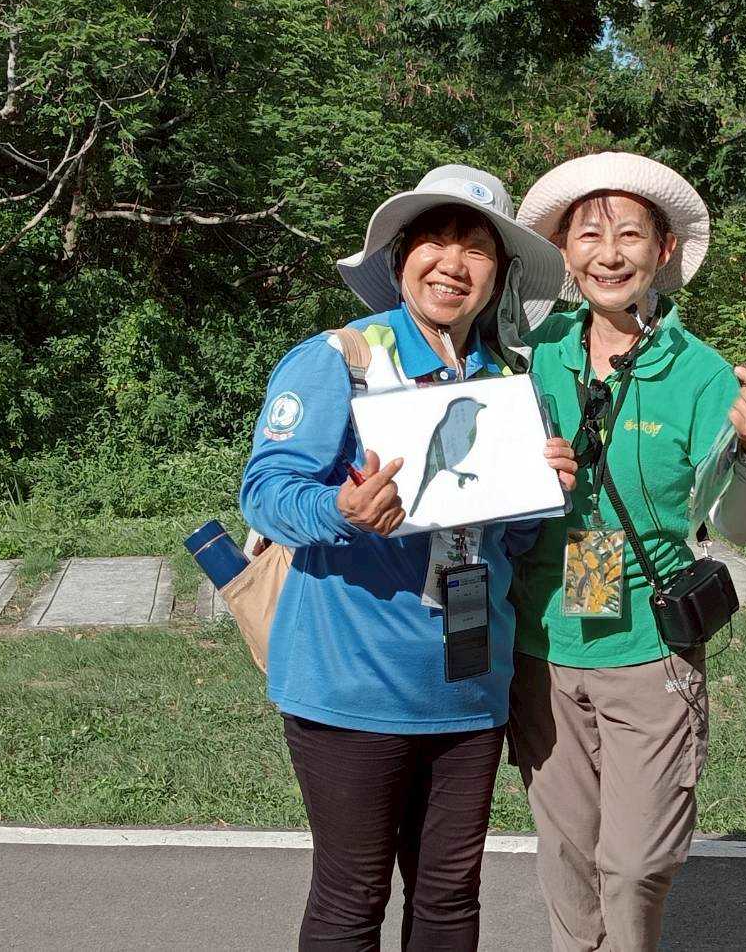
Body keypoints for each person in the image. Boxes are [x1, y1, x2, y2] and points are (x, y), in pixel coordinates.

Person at [240, 164, 577, 952]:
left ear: (499, 277)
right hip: (350, 685)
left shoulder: (506, 386)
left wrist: (541, 491)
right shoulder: (343, 358)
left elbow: (508, 545)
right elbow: (266, 492)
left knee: (452, 898)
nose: (453, 263)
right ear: (401, 259)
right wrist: (341, 511)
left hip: (467, 688)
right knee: (351, 898)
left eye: (476, 248)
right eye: (435, 240)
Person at [509, 152, 746, 951]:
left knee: (632, 865)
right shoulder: (531, 353)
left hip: (650, 654)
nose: (610, 253)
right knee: (565, 855)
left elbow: (736, 525)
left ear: (664, 252)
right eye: (589, 234)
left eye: (631, 234)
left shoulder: (697, 374)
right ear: (564, 250)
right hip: (544, 647)